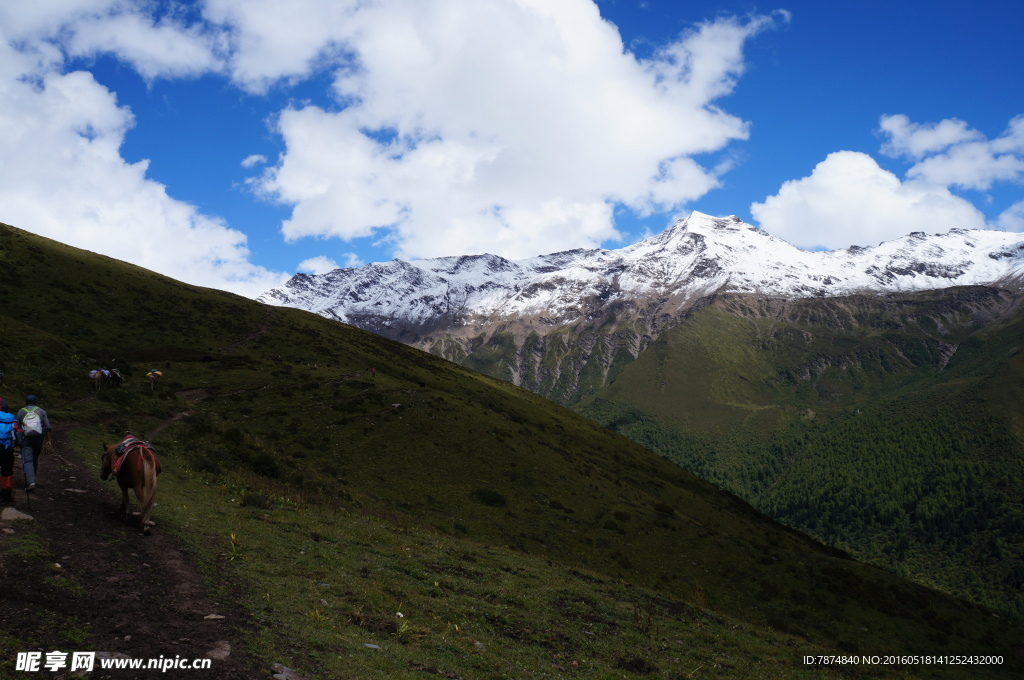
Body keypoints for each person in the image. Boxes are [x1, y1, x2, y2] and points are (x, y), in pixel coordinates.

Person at [16, 395, 51, 492]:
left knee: (28, 460)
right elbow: (47, 427)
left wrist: (18, 441)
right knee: (34, 459)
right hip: (38, 439)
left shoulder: (21, 411)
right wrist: (48, 440)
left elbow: (17, 427)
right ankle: (33, 480)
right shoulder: (41, 411)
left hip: (26, 440)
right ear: (36, 402)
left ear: (26, 402)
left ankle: (30, 482)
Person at [0, 398, 15, 505]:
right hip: (7, 448)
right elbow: (18, 435)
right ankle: (7, 496)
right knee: (7, 472)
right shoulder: (12, 418)